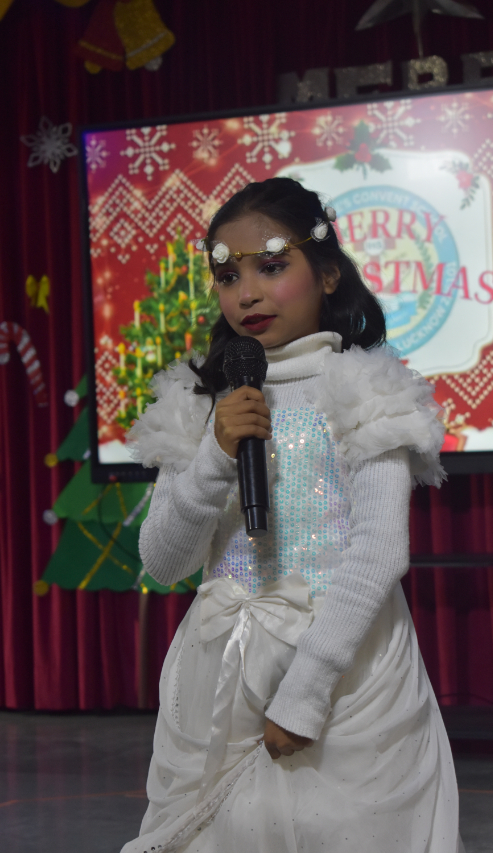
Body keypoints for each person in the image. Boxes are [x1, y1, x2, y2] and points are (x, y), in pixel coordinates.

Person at [122, 177, 462, 853]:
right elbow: (163, 563)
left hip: (344, 680)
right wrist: (215, 457)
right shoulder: (201, 405)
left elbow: (377, 553)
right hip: (219, 677)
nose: (246, 294)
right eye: (228, 276)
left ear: (327, 273)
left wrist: (304, 691)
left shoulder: (365, 390)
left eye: (271, 267)